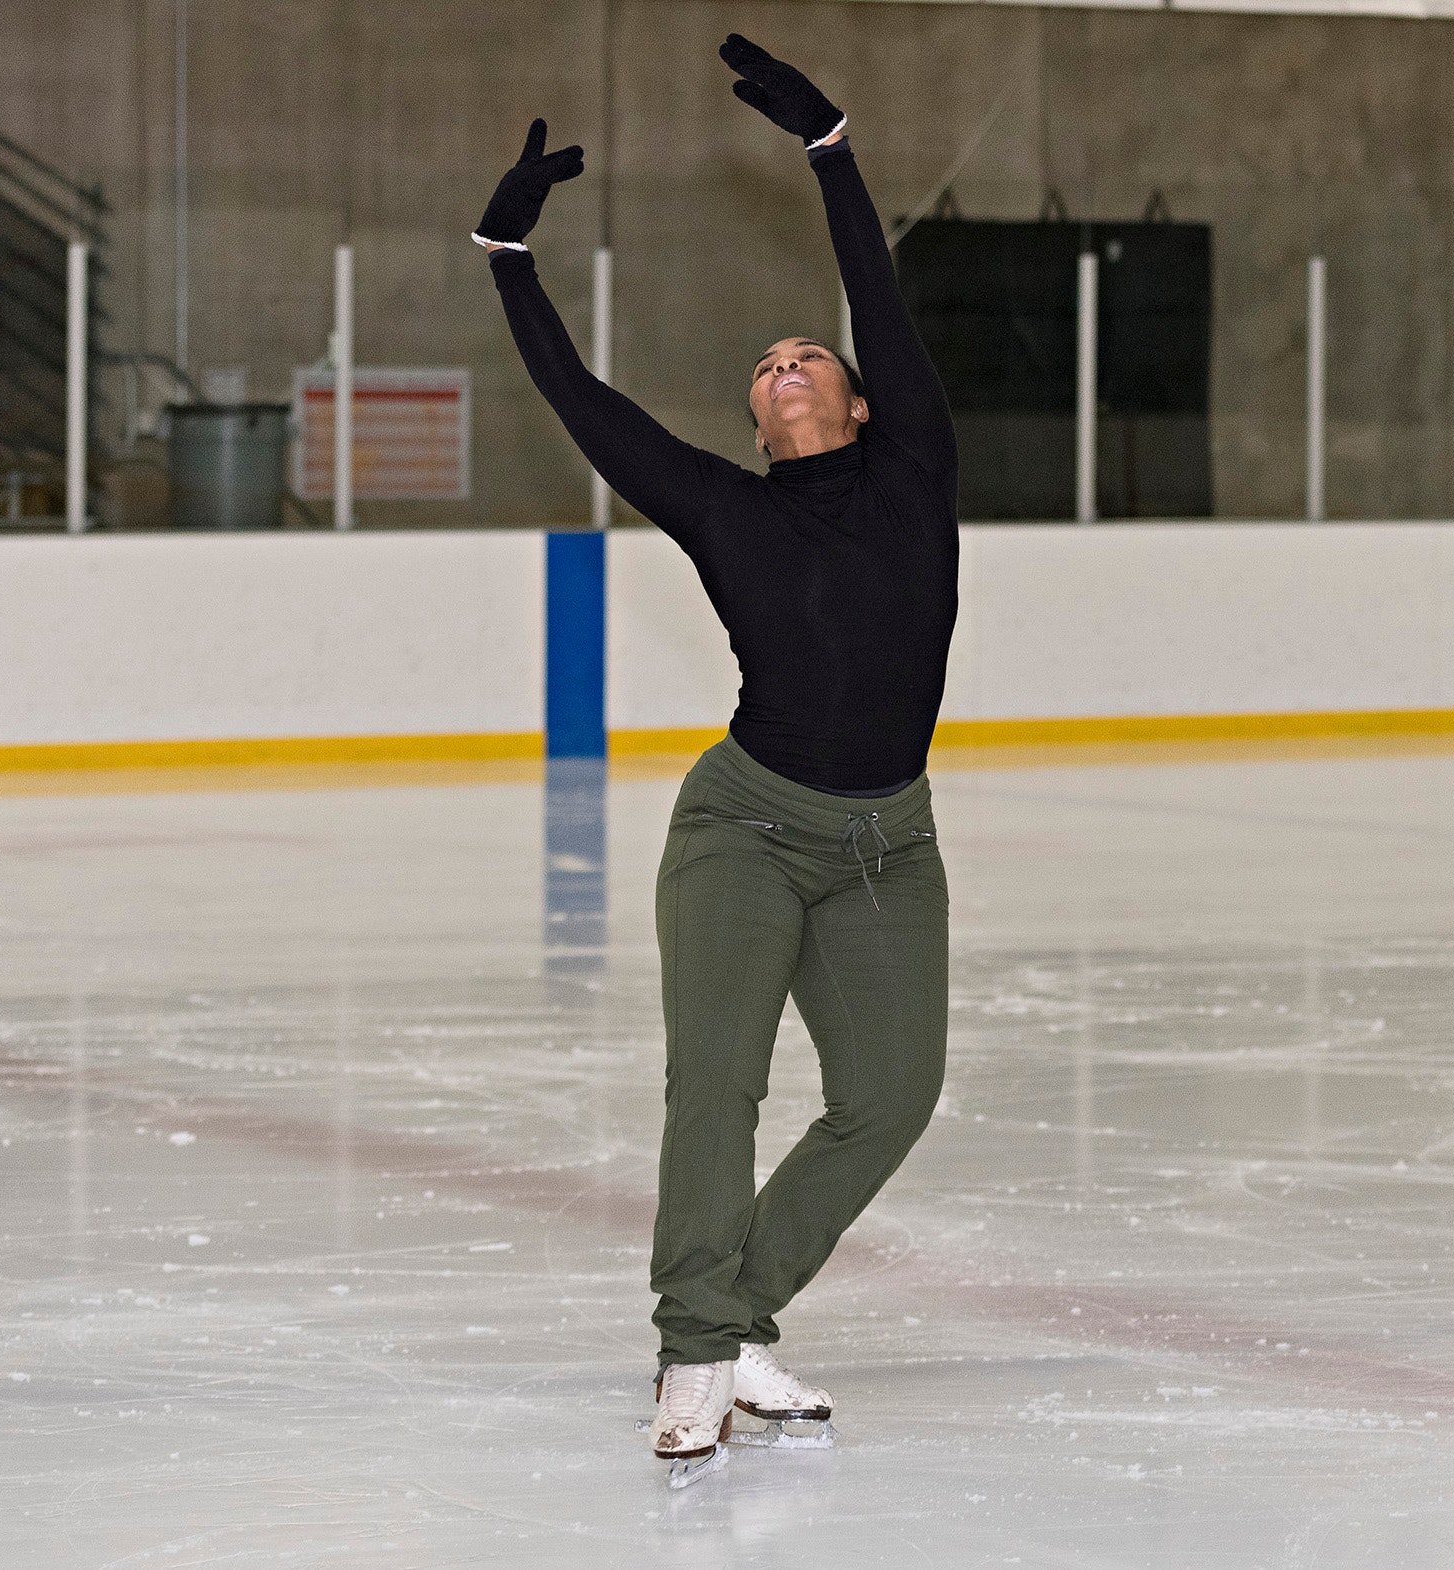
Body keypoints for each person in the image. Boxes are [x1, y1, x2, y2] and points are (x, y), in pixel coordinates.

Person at [474, 33, 959, 1487]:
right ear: (754, 423)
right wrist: (506, 253)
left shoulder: (916, 467)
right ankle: (698, 1340)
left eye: (807, 352)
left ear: (859, 401)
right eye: (764, 366)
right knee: (718, 1081)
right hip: (744, 827)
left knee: (892, 1092)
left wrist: (833, 150)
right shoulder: (722, 511)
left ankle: (742, 1307)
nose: (785, 362)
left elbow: (878, 294)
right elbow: (587, 406)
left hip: (892, 839)